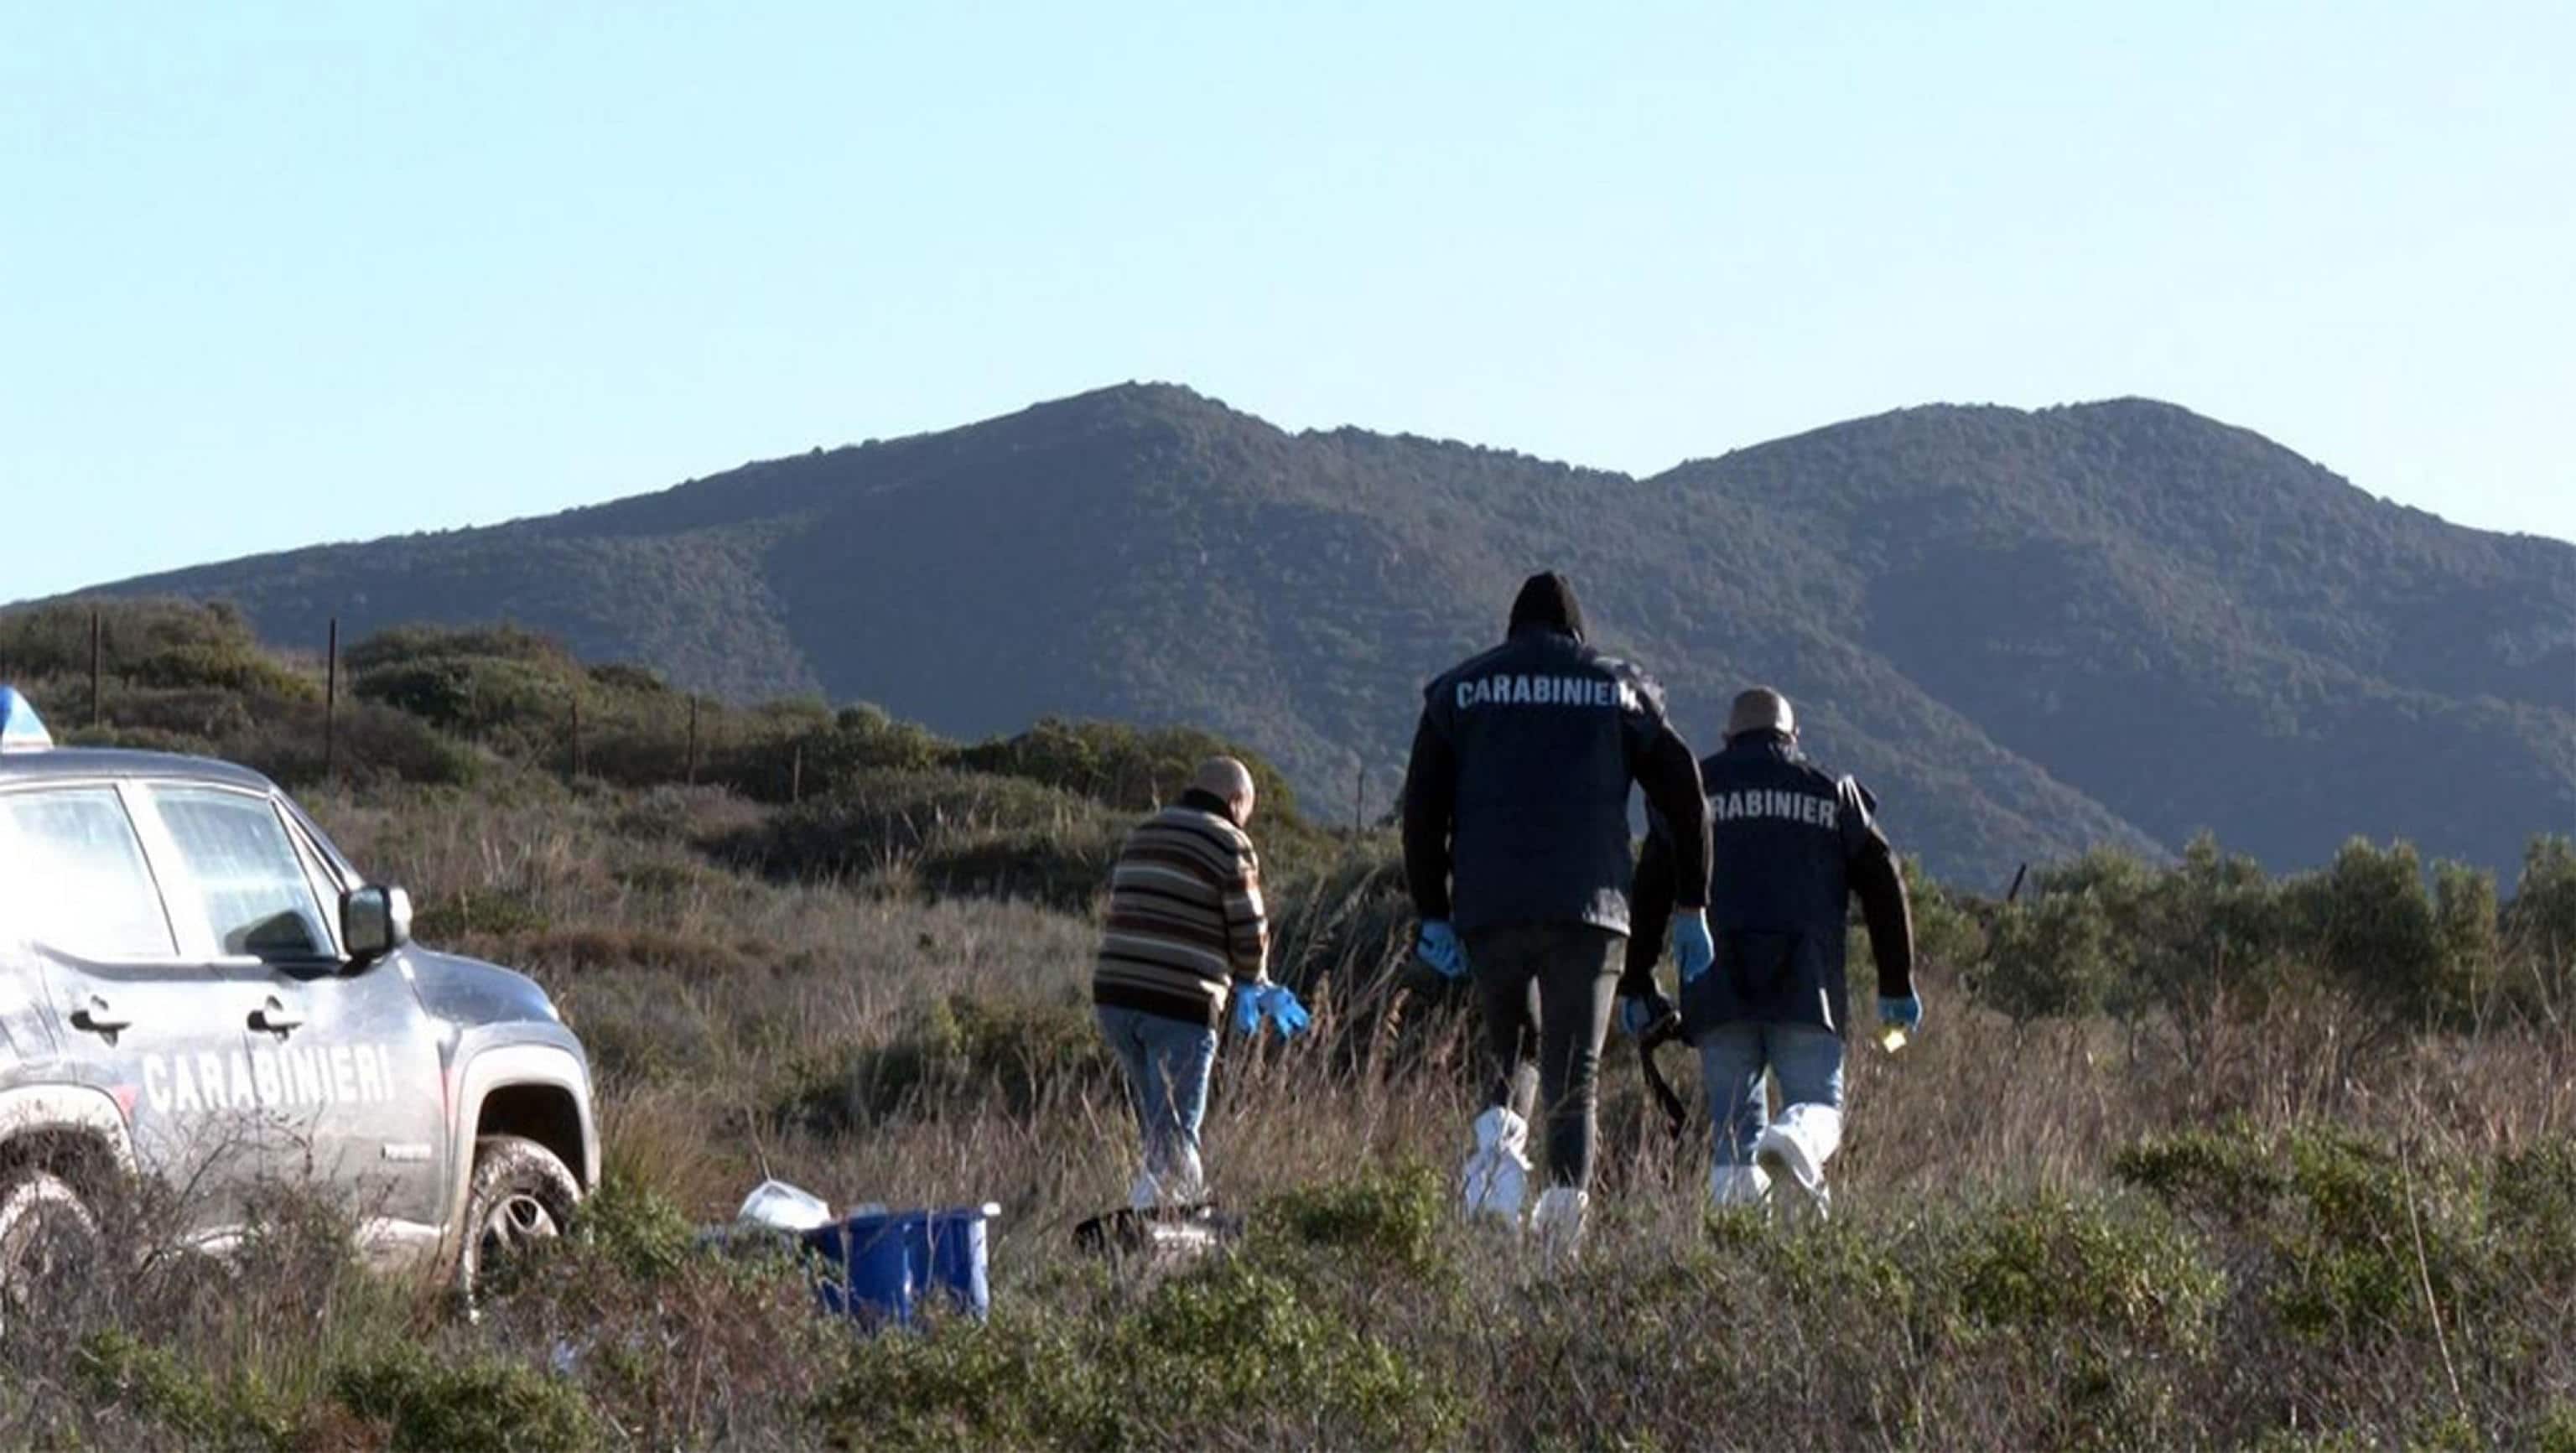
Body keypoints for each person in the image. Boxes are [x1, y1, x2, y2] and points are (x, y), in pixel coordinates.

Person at [1401, 571, 1713, 1253]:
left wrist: (1432, 908)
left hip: (1490, 908)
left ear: (1513, 629)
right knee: (1578, 1073)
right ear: (1577, 633)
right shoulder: (1622, 687)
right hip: (1591, 911)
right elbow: (1686, 792)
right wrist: (1693, 901)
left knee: (1509, 1050)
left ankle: (1494, 1190)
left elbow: (1420, 808)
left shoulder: (1460, 689)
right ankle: (1561, 1238)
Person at [1626, 687, 1919, 1218]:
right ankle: (1798, 1143)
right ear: (1793, 737)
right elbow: (1883, 881)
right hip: (1809, 989)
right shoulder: (1832, 792)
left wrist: (1638, 978)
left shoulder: (1695, 792)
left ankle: (1737, 1251)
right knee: (1818, 1111)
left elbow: (1649, 886)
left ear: (1727, 738)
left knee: (1733, 1132)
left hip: (1716, 988)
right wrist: (1896, 983)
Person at [1093, 756, 1306, 1210]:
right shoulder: (1230, 842)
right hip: (1180, 1002)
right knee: (1178, 1130)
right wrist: (1255, 982)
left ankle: (1151, 1214)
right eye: (1248, 808)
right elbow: (1250, 927)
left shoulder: (1144, 832)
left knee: (1156, 1121)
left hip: (1115, 996)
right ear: (1236, 801)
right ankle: (1176, 1223)